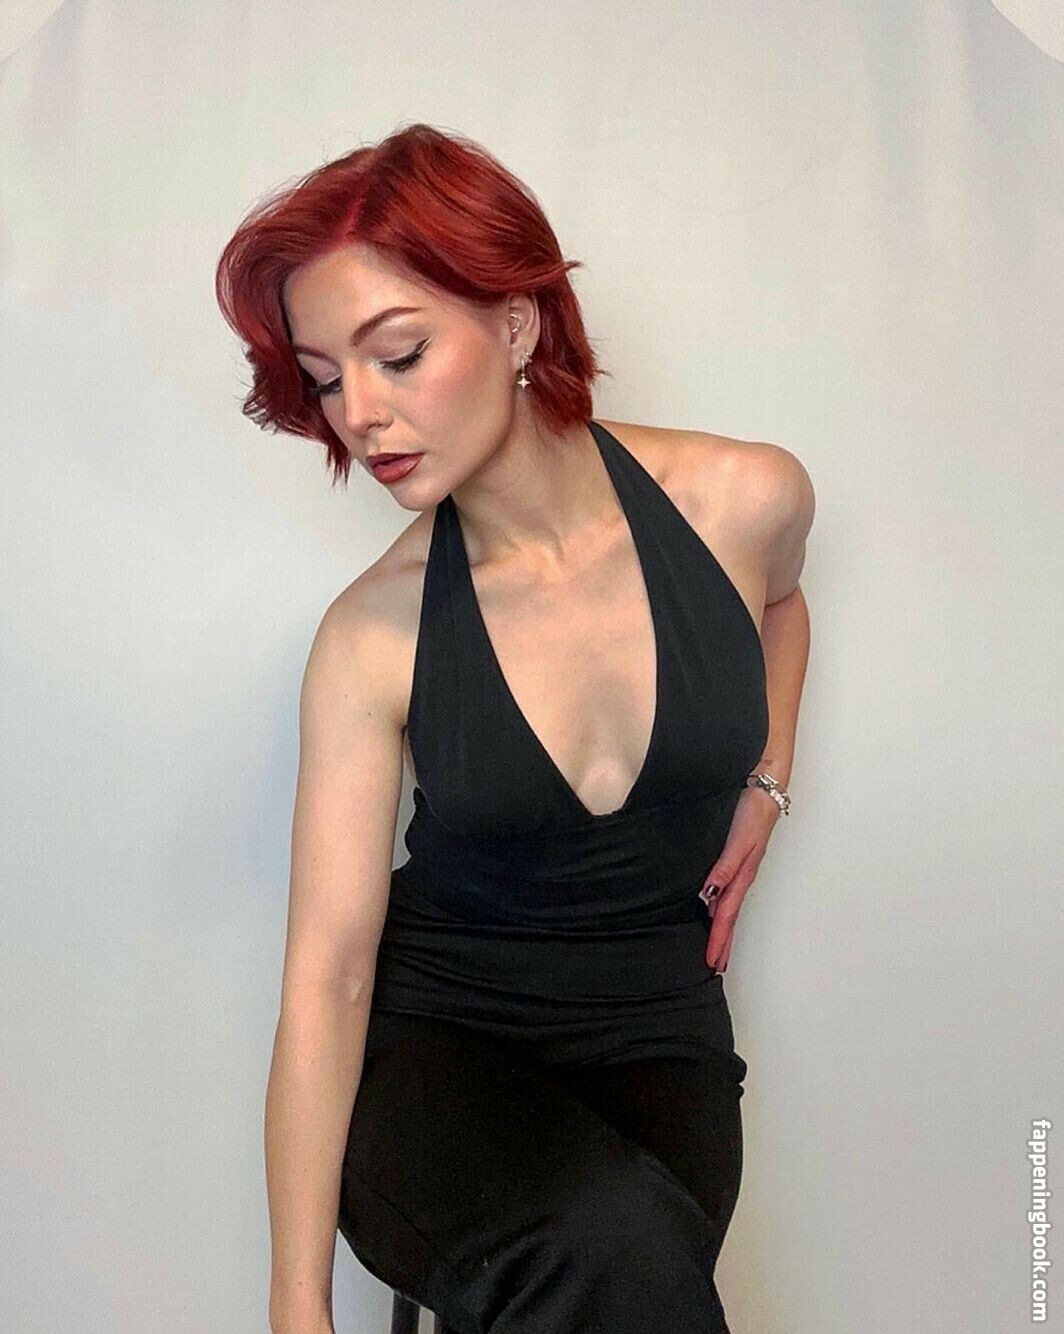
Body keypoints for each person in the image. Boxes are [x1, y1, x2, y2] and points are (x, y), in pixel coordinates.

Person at [215, 122, 814, 1334]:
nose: (359, 414)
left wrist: (769, 777)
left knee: (633, 1255)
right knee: (604, 1246)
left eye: (398, 353)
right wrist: (295, 1306)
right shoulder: (372, 637)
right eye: (326, 377)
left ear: (518, 323)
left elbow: (784, 605)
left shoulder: (744, 500)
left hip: (657, 1029)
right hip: (433, 1050)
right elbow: (329, 975)